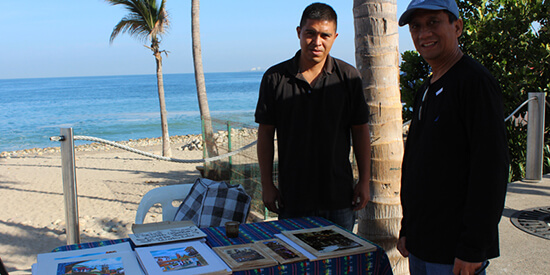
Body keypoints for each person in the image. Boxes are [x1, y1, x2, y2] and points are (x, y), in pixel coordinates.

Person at [397, 0, 510, 274]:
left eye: (433, 22)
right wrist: (407, 228)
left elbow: (491, 169)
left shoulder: (475, 83)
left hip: (454, 252)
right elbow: (415, 163)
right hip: (422, 245)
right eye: (416, 27)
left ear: (457, 26)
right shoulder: (427, 87)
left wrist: (474, 247)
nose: (424, 34)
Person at [254, 2, 371, 231]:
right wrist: (267, 185)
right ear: (299, 32)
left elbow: (360, 131)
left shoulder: (349, 78)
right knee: (296, 265)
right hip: (293, 198)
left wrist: (364, 181)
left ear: (335, 37)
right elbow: (265, 134)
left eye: (325, 35)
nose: (317, 42)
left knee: (340, 265)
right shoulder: (275, 78)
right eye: (310, 33)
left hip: (339, 198)